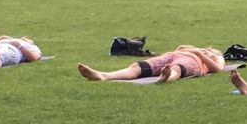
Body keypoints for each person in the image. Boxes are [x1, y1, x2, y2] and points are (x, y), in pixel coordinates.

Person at [78, 45, 230, 83]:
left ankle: (166, 77)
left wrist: (200, 54)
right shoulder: (192, 47)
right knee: (137, 67)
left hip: (193, 62)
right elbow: (179, 48)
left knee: (177, 68)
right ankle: (103, 75)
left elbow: (218, 70)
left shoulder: (216, 56)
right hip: (171, 55)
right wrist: (191, 48)